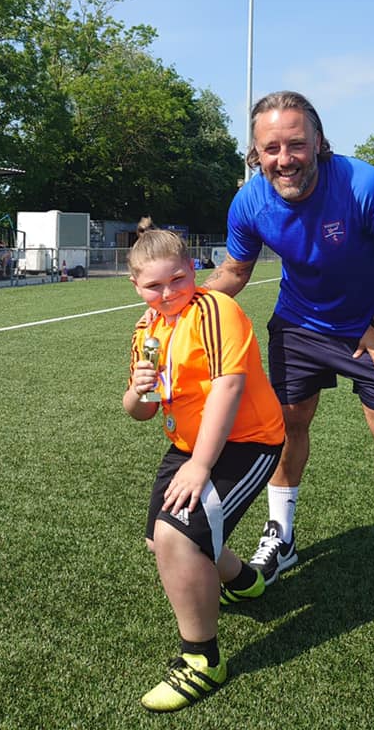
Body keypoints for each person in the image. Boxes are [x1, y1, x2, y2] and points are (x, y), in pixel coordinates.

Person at [203, 91, 374, 615]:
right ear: (256, 153)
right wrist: (185, 308)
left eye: (296, 145)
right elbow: (235, 271)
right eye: (271, 148)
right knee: (286, 426)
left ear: (319, 143)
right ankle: (280, 537)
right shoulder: (250, 202)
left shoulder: (364, 186)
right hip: (298, 327)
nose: (285, 159)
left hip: (371, 328)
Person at [124, 229, 284, 712]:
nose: (168, 293)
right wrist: (138, 388)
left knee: (178, 537)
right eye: (154, 286)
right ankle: (243, 581)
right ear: (136, 285)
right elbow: (140, 411)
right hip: (188, 444)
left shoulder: (215, 309)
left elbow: (229, 389)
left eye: (177, 279)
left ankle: (202, 660)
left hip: (247, 441)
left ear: (193, 269)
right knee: (160, 540)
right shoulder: (147, 331)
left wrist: (200, 465)